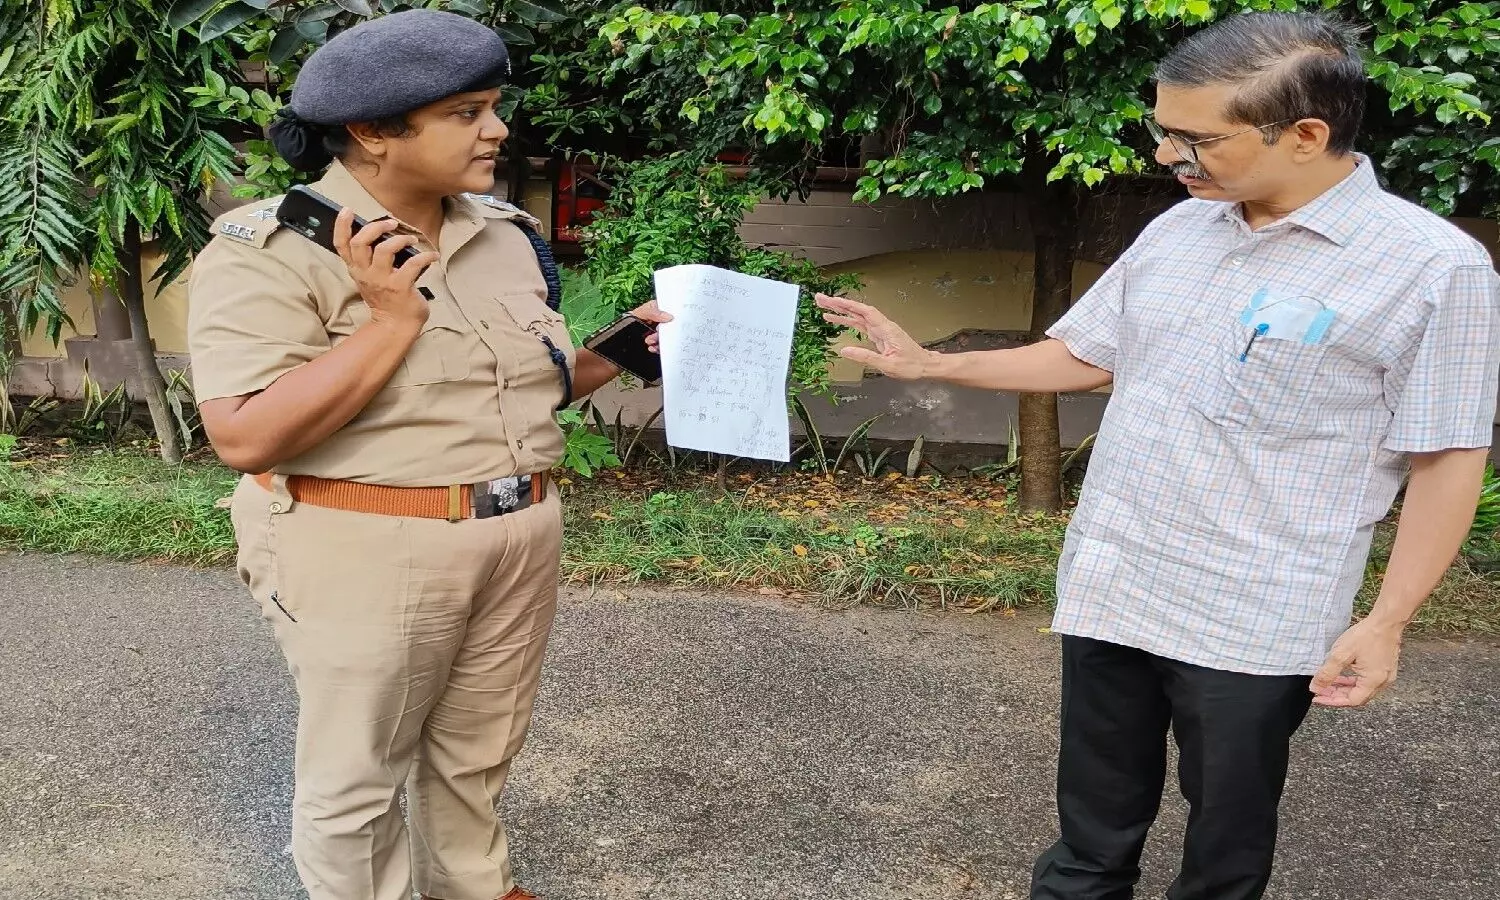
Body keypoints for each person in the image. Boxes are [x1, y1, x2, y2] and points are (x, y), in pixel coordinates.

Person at [817, 11, 1500, 900]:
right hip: (1120, 576)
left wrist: (1389, 618)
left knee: (1224, 848)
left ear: (1306, 135)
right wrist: (929, 363)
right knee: (1089, 838)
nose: (1167, 157)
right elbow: (1090, 353)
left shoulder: (1431, 268)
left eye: (1195, 139)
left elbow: (1447, 456)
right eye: (1162, 132)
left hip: (1256, 611)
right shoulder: (1181, 231)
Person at [185, 11, 667, 900]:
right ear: (372, 132)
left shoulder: (503, 234)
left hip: (518, 533)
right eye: (467, 113)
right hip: (367, 540)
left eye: (493, 106)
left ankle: (475, 887)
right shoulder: (275, 250)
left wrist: (622, 351)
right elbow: (243, 435)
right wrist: (392, 319)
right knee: (357, 777)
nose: (497, 129)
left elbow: (521, 387)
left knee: (480, 750)